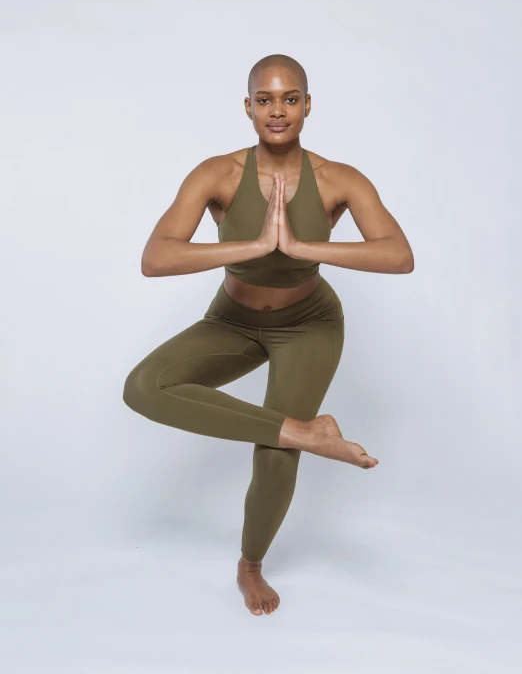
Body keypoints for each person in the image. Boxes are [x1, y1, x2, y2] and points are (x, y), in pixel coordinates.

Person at [122, 53, 414, 616]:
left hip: (308, 324)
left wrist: (302, 248)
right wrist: (254, 247)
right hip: (232, 320)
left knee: (274, 454)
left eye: (289, 98)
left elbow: (398, 255)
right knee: (144, 387)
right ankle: (309, 432)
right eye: (264, 99)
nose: (276, 110)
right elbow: (156, 259)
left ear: (307, 105)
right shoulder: (218, 173)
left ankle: (250, 566)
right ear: (248, 107)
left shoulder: (338, 179)